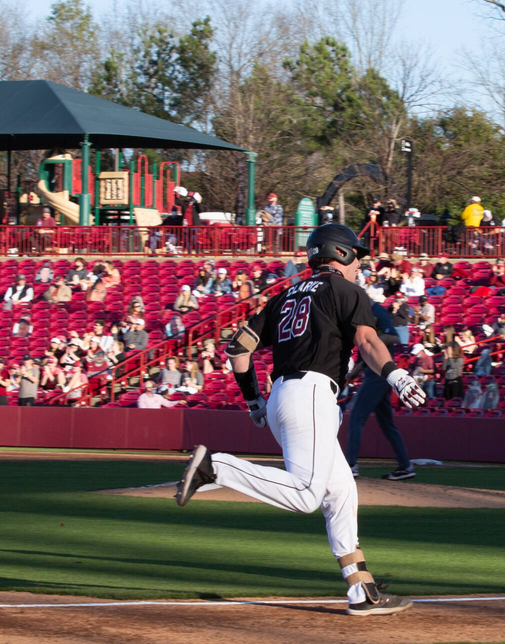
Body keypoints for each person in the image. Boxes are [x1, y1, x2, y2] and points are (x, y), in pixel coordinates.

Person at [173, 224, 424, 616]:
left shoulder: (284, 296)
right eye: (356, 255)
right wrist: (396, 375)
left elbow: (238, 349)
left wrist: (255, 401)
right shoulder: (346, 290)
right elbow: (367, 341)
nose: (360, 263)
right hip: (310, 395)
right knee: (308, 494)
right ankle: (215, 467)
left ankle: (360, 590)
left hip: (283, 397)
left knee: (341, 492)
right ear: (340, 254)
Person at [346, 303, 416, 481]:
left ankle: (351, 465)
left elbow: (393, 336)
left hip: (379, 374)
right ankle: (405, 465)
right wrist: (353, 373)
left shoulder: (377, 311)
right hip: (376, 373)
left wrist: (371, 341)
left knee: (356, 417)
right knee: (387, 424)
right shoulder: (363, 315)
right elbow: (367, 356)